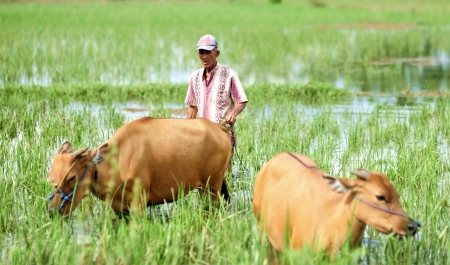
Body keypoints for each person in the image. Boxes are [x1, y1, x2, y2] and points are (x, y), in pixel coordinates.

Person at [185, 34, 248, 144]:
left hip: (222, 134)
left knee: (225, 162)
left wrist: (232, 114)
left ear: (217, 54)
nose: (204, 56)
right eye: (201, 52)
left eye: (208, 52)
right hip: (202, 136)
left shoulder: (229, 74)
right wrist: (185, 131)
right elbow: (193, 107)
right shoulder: (194, 77)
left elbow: (242, 101)